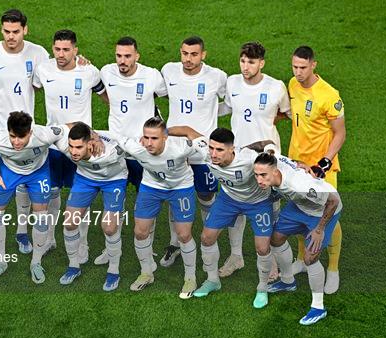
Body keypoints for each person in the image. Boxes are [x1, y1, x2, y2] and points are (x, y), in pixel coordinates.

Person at [168, 126, 276, 308]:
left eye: (219, 150)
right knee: (206, 237)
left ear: (232, 149)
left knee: (262, 247)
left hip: (258, 202)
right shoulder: (206, 152)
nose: (213, 154)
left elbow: (265, 144)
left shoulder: (248, 158)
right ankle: (212, 280)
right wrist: (164, 132)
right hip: (229, 199)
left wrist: (271, 151)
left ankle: (262, 287)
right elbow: (188, 131)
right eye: (211, 148)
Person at [0, 9, 49, 256]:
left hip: (24, 133)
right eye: (6, 31)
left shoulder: (38, 53)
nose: (11, 37)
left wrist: (80, 62)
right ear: (1, 30)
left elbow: (50, 79)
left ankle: (21, 232)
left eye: (16, 32)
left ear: (25, 29)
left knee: (25, 184)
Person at [105, 117, 205, 299]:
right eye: (146, 137)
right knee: (140, 232)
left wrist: (183, 129)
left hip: (180, 187)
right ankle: (146, 273)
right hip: (151, 187)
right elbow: (112, 135)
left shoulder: (181, 148)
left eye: (154, 138)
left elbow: (202, 140)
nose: (149, 143)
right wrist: (93, 136)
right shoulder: (136, 147)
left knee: (184, 235)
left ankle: (190, 278)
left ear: (165, 137)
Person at [33, 29, 107, 263]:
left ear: (76, 50)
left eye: (66, 49)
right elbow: (30, 90)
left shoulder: (88, 72)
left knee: (80, 198)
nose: (61, 54)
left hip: (80, 147)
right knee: (52, 195)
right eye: (57, 49)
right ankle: (49, 240)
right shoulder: (43, 69)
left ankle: (82, 244)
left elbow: (107, 98)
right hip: (54, 146)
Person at [218, 41, 290, 278]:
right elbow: (228, 107)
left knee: (271, 206)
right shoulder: (232, 82)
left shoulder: (276, 87)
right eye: (242, 61)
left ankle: (274, 261)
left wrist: (264, 128)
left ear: (261, 63)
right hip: (237, 157)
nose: (245, 66)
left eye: (251, 62)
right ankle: (236, 256)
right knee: (236, 205)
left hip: (266, 158)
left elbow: (285, 113)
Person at [95, 37, 167, 266]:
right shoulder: (106, 72)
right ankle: (110, 249)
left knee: (145, 198)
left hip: (142, 151)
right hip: (116, 149)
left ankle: (149, 246)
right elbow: (102, 93)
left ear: (137, 56)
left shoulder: (151, 75)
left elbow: (167, 97)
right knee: (113, 199)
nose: (122, 61)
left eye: (127, 56)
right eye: (119, 56)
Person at [160, 36, 227, 268]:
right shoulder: (168, 71)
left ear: (203, 55)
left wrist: (210, 114)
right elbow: (156, 93)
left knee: (206, 196)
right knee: (174, 197)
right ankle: (175, 242)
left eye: (194, 54)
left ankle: (208, 242)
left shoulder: (216, 77)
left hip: (202, 154)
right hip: (175, 151)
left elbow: (229, 103)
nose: (188, 59)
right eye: (185, 54)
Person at [253, 151, 342, 325]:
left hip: (322, 211)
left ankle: (318, 307)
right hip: (300, 206)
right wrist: (301, 163)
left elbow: (332, 201)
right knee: (276, 238)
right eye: (256, 175)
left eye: (263, 175)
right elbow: (269, 148)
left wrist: (319, 229)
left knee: (310, 258)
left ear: (275, 172)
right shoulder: (274, 161)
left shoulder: (300, 185)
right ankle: (287, 281)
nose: (259, 180)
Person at [0, 111, 68, 283]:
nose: (16, 142)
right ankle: (0, 261)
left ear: (30, 132)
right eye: (13, 136)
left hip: (38, 173)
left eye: (21, 137)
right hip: (9, 171)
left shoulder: (44, 135)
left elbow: (66, 128)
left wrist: (93, 135)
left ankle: (36, 262)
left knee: (41, 218)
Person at [287, 46, 346, 294]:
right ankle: (302, 258)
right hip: (296, 162)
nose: (298, 72)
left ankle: (332, 268)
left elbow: (340, 132)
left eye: (303, 67)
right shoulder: (291, 84)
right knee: (301, 210)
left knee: (328, 215)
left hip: (321, 168)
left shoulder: (329, 95)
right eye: (295, 67)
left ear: (314, 65)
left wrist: (325, 161)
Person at [54, 122, 128, 292]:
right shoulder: (65, 146)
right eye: (71, 146)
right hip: (85, 178)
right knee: (69, 222)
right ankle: (74, 266)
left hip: (114, 180)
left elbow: (129, 146)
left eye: (79, 147)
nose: (73, 151)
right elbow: (65, 126)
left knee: (109, 227)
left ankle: (113, 270)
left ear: (89, 145)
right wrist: (93, 133)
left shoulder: (108, 152)